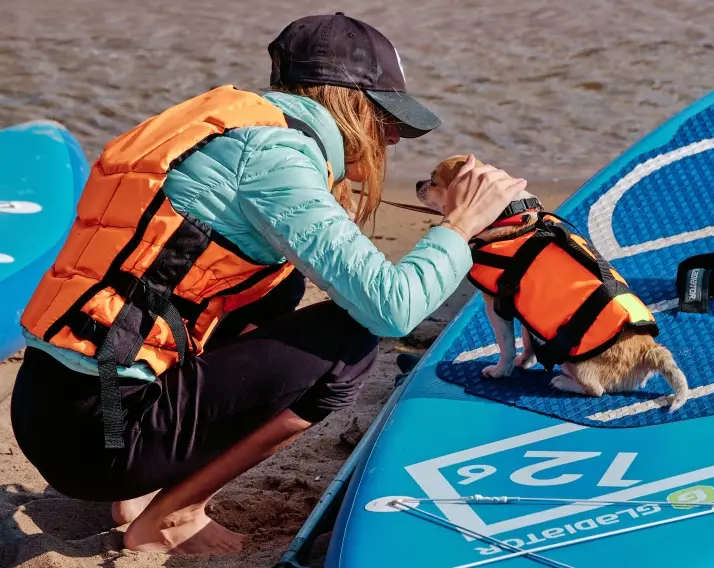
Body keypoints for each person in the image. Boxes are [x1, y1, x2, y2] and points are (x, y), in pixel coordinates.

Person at [9, 13, 527, 555]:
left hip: (51, 407)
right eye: (385, 117)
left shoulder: (224, 129)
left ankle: (136, 495)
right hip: (101, 441)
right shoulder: (274, 158)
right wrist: (461, 225)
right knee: (349, 342)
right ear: (348, 103)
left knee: (276, 288)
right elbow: (393, 308)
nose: (393, 137)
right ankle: (172, 514)